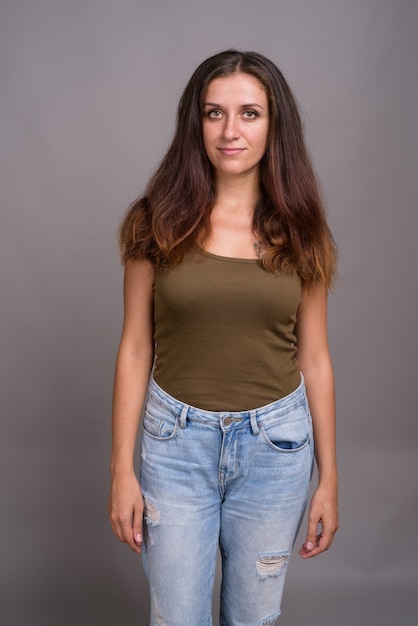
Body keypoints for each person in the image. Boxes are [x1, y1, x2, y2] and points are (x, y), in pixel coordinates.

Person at [109, 49, 338, 626]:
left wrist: (329, 477)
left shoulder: (302, 231)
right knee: (176, 616)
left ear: (274, 125)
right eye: (214, 114)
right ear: (196, 124)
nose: (230, 131)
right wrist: (121, 469)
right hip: (175, 446)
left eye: (249, 114)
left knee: (254, 618)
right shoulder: (156, 221)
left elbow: (314, 356)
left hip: (277, 450)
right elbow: (136, 346)